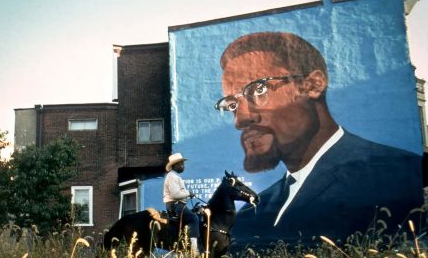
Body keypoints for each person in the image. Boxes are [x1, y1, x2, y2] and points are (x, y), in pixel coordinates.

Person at [214, 32, 424, 247]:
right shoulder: (249, 215)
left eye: (259, 89)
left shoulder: (400, 175)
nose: (240, 119)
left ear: (313, 85)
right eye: (232, 104)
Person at [163, 152, 199, 254]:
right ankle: (194, 249)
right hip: (175, 206)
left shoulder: (175, 176)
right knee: (194, 218)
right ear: (174, 165)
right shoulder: (172, 176)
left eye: (183, 164)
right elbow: (175, 195)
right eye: (181, 164)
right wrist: (188, 193)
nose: (183, 166)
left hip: (178, 205)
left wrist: (188, 195)